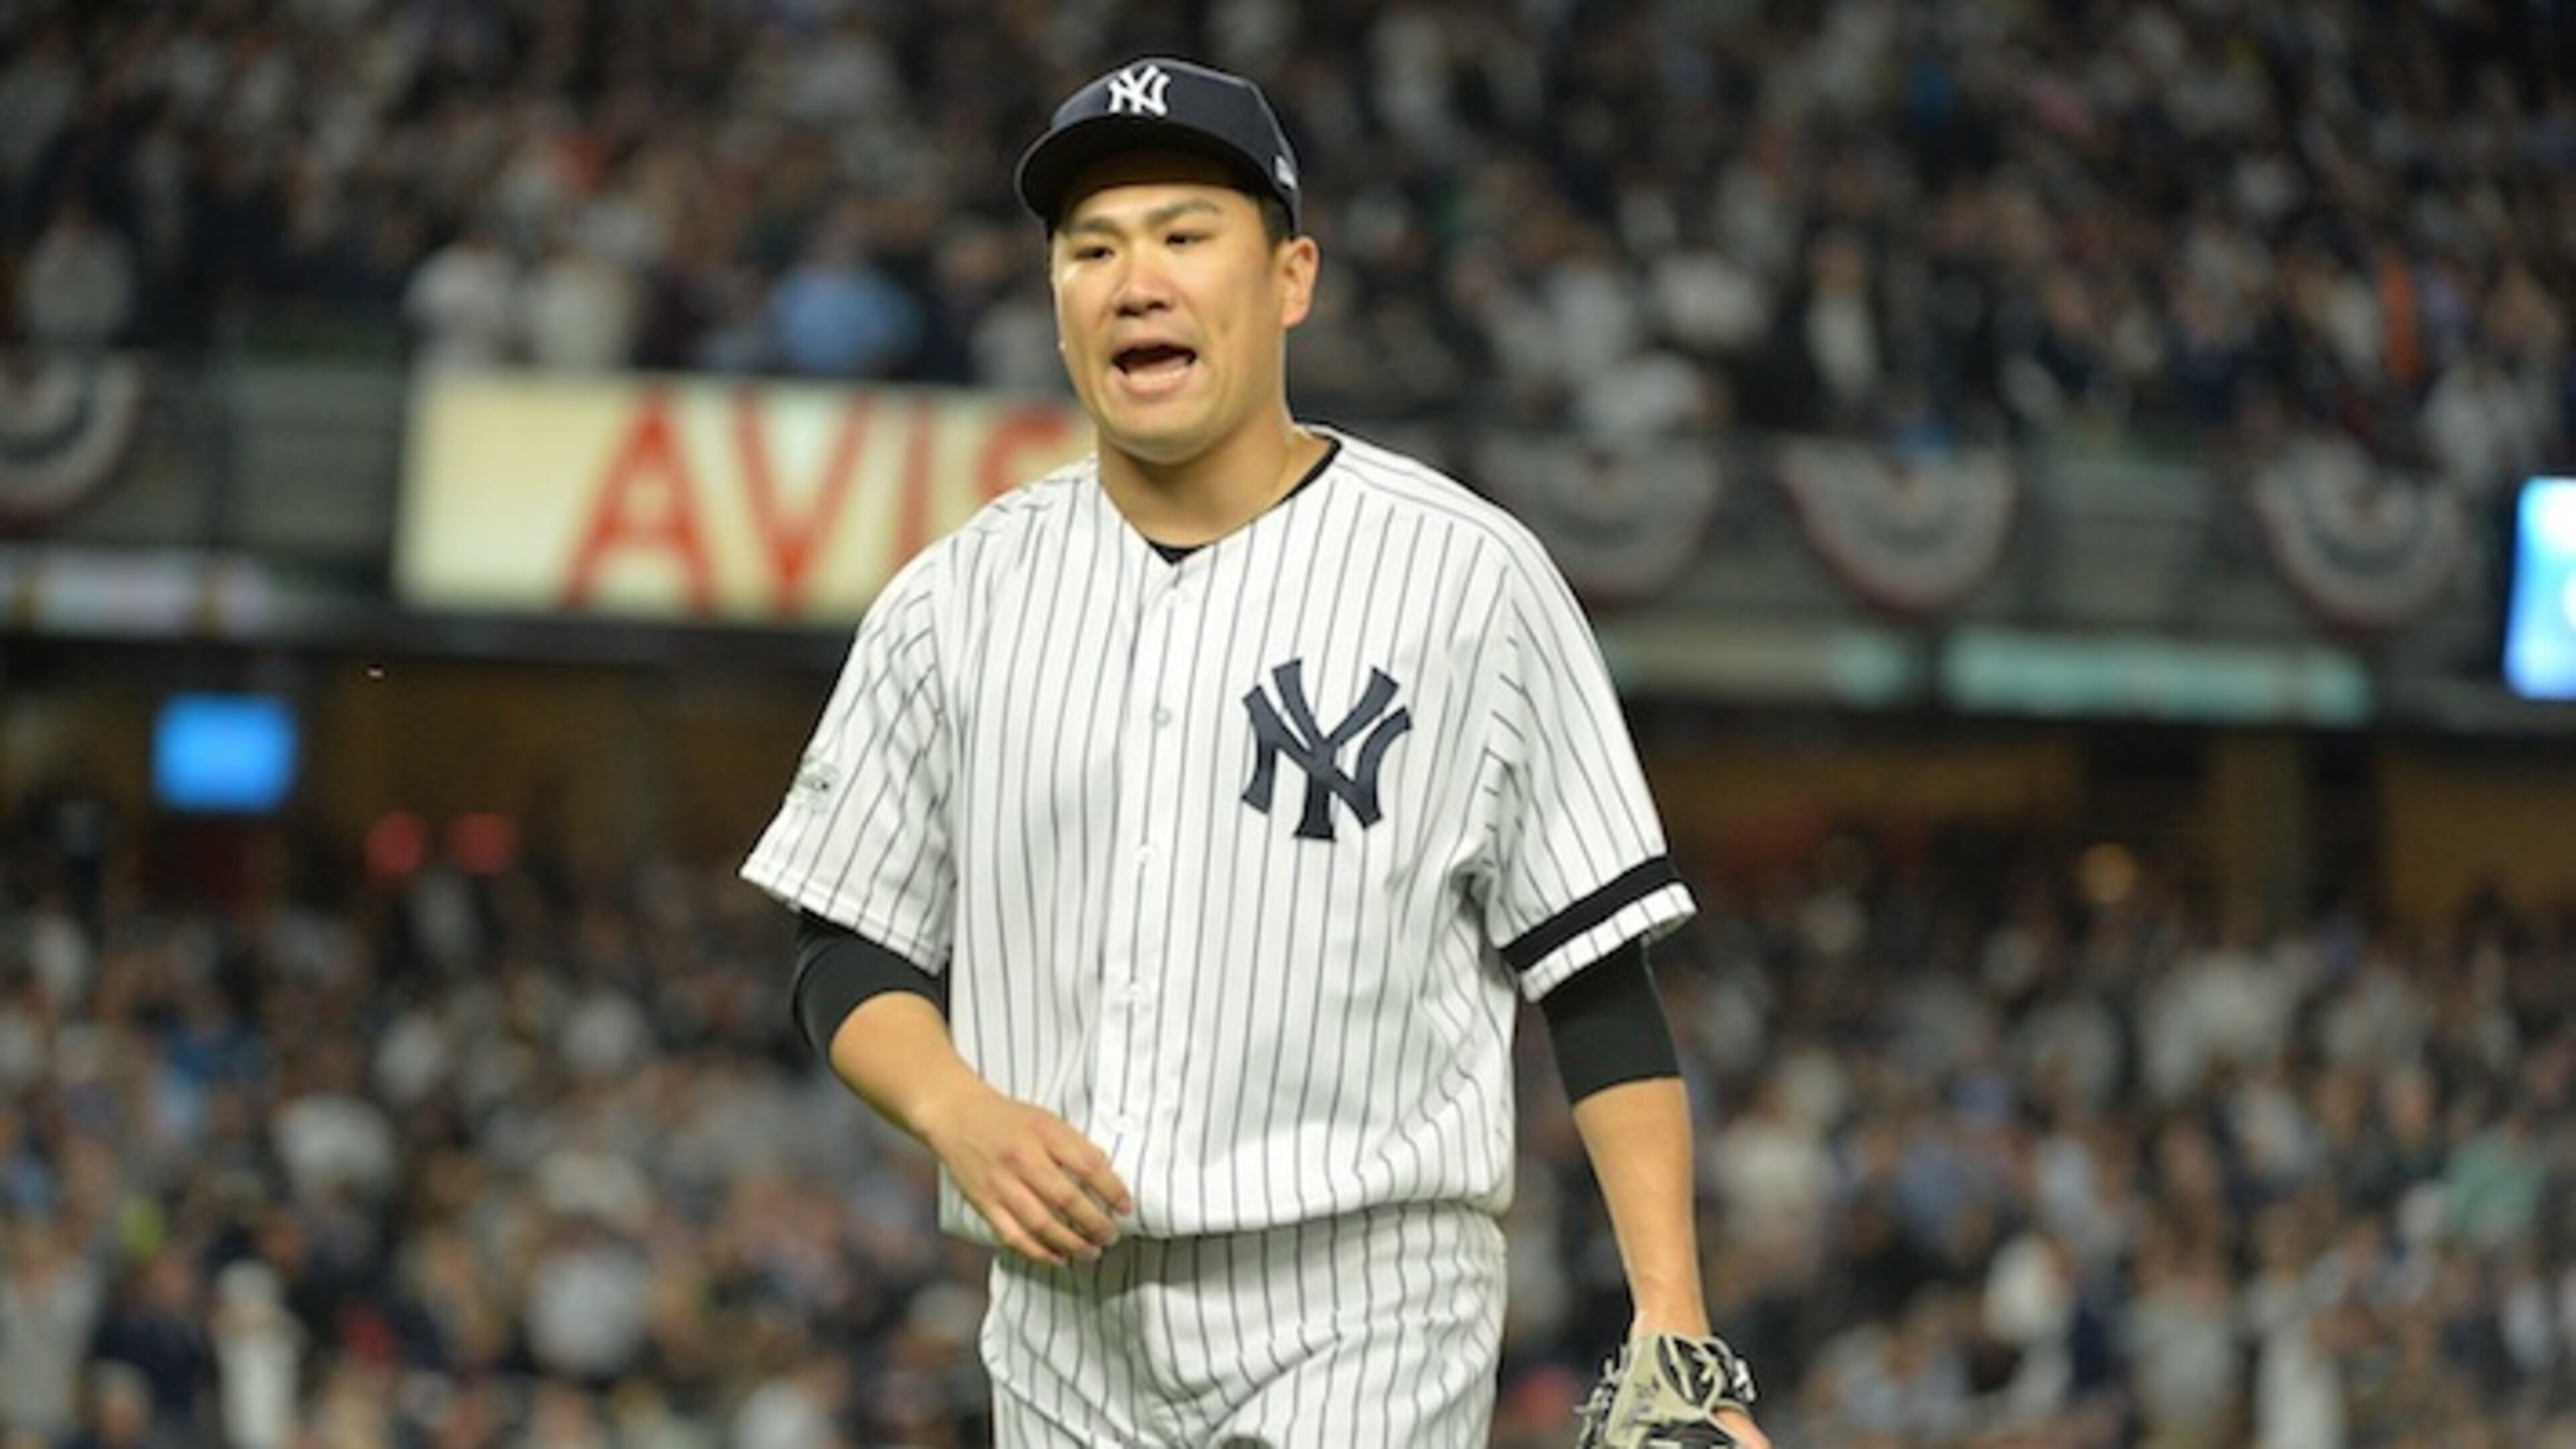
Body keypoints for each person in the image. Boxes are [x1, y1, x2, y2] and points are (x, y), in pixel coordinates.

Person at [741, 57, 1773, 1448]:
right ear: (1056, 304)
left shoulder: (1466, 578)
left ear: (1291, 278)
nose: (1134, 280)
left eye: (1183, 234)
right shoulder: (956, 597)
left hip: (1366, 1302)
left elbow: (1594, 974)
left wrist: (1670, 1312)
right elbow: (841, 945)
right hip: (1061, 1324)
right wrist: (956, 1110)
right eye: (1091, 248)